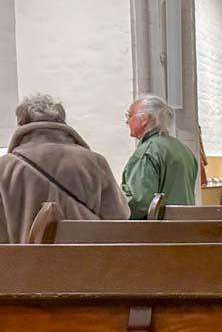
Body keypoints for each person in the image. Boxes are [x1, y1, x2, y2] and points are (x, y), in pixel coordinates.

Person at [0, 94, 129, 243]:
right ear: (62, 121)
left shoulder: (5, 168)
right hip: (88, 256)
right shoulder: (95, 163)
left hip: (23, 257)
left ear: (21, 122)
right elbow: (119, 217)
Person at [122, 94, 199, 219]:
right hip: (184, 224)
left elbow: (140, 203)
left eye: (129, 115)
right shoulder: (183, 149)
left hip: (158, 228)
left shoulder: (148, 151)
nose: (127, 121)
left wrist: (112, 211)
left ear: (144, 119)